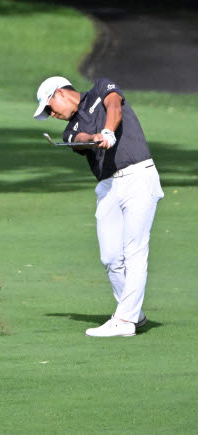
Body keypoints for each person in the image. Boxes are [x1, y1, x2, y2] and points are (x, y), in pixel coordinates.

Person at [33, 75, 163, 337]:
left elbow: (114, 106)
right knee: (111, 257)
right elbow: (80, 138)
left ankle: (124, 320)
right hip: (108, 187)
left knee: (134, 249)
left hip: (138, 175)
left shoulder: (101, 88)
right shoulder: (69, 129)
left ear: (60, 93)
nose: (52, 115)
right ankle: (133, 314)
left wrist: (108, 130)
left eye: (50, 108)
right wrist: (93, 136)